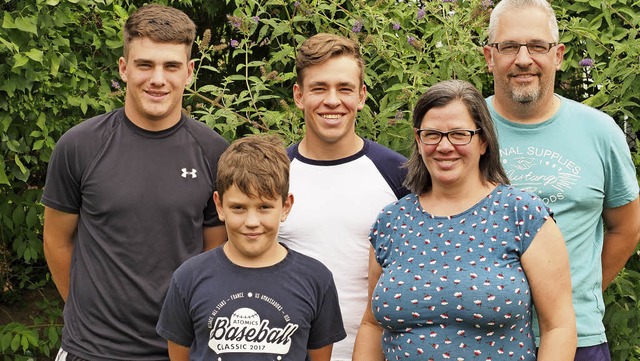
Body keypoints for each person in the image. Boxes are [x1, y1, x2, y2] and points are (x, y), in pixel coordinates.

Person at [41, 4, 229, 360]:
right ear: (124, 69)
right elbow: (56, 242)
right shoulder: (79, 146)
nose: (158, 78)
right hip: (90, 350)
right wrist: (89, 314)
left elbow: (213, 256)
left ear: (189, 72)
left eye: (171, 66)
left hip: (178, 350)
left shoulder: (213, 152)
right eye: (145, 64)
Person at [353, 79, 576, 361]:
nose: (445, 146)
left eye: (459, 134)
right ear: (419, 140)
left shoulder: (522, 214)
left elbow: (558, 326)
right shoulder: (391, 222)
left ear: (483, 141)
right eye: (432, 134)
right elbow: (372, 325)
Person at [482, 0, 640, 359]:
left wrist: (575, 293)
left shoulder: (600, 132)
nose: (524, 59)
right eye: (509, 46)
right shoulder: (462, 130)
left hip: (578, 337)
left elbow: (627, 227)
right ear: (490, 56)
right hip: (482, 339)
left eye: (538, 46)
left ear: (559, 55)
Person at [276, 33, 410, 360]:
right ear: (298, 95)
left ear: (362, 96)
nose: (332, 101)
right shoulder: (274, 174)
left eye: (345, 88)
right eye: (319, 88)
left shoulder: (399, 175)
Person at [156, 134, 346, 360]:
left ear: (285, 206)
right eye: (238, 208)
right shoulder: (188, 278)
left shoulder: (316, 280)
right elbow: (179, 355)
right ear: (219, 205)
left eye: (265, 207)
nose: (252, 221)